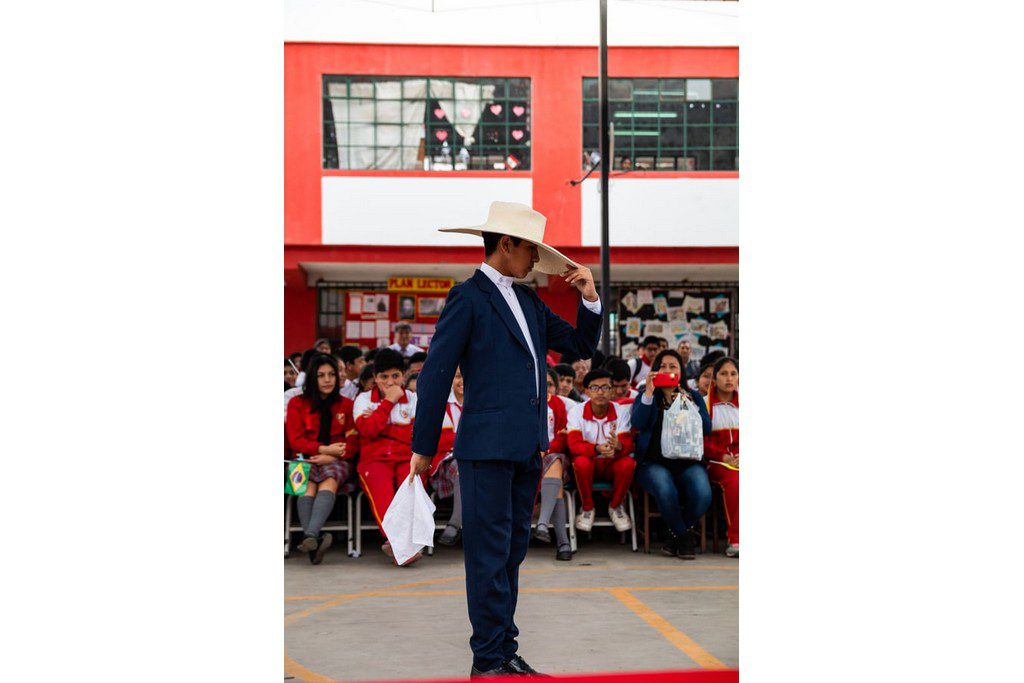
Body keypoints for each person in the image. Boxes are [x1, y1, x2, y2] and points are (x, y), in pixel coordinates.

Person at [408, 201, 602, 677]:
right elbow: (435, 374)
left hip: (526, 447)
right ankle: (488, 659)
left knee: (511, 552)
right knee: (488, 556)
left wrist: (590, 298)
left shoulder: (529, 301)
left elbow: (579, 346)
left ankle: (503, 650)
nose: (537, 259)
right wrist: (423, 446)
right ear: (506, 244)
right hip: (484, 448)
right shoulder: (467, 296)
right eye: (530, 249)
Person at [630, 349, 712, 559]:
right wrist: (648, 393)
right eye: (662, 367)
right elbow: (638, 423)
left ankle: (674, 535)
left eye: (673, 367)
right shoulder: (646, 395)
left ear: (681, 371)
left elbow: (706, 428)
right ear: (655, 371)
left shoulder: (692, 395)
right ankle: (684, 539)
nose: (667, 370)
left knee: (703, 493)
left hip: (688, 461)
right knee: (666, 489)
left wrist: (689, 406)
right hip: (653, 463)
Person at [353, 348, 425, 565]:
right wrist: (388, 402)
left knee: (411, 491)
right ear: (375, 378)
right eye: (384, 377)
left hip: (406, 458)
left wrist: (380, 424)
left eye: (395, 376)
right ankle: (399, 548)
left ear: (403, 375)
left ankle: (399, 547)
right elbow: (367, 432)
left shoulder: (413, 398)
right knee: (384, 495)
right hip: (374, 460)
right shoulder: (363, 399)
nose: (390, 382)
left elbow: (414, 435)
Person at [285, 354, 359, 565]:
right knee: (304, 485)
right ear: (311, 379)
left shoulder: (347, 404)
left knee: (329, 481)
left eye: (331, 375)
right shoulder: (296, 403)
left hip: (337, 461)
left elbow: (353, 443)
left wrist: (333, 456)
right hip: (301, 458)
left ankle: (310, 537)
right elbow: (295, 441)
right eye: (321, 375)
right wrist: (326, 450)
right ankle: (314, 538)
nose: (327, 380)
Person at [567, 369, 635, 533]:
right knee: (580, 462)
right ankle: (587, 508)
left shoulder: (621, 411)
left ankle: (616, 507)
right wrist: (596, 449)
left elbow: (627, 443)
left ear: (612, 390)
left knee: (628, 463)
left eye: (605, 387)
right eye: (595, 388)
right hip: (590, 462)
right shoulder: (577, 411)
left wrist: (618, 447)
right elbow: (573, 444)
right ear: (587, 391)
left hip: (612, 461)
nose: (600, 392)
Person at [533, 368, 572, 561]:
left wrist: (544, 449)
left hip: (551, 454)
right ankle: (563, 543)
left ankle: (543, 523)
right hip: (527, 455)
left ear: (555, 387)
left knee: (555, 460)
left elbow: (563, 437)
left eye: (549, 384)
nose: (544, 387)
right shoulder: (524, 402)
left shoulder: (558, 404)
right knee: (557, 488)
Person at [704, 356, 739, 558]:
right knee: (735, 480)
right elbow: (700, 442)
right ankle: (736, 540)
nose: (729, 378)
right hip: (716, 463)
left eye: (733, 374)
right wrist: (725, 457)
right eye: (724, 374)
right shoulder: (705, 405)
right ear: (714, 379)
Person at [433, 368, 464, 546]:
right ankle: (455, 523)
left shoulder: (481, 400)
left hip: (477, 457)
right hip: (446, 461)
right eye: (458, 376)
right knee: (462, 467)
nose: (462, 381)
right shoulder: (442, 402)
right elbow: (443, 440)